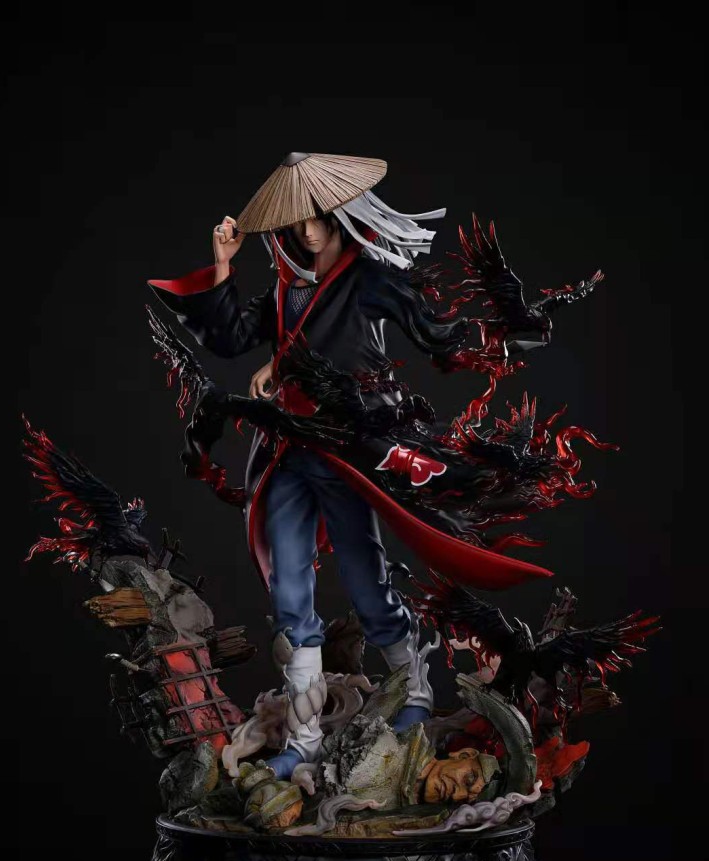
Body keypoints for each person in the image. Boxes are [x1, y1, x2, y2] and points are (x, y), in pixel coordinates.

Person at [147, 152, 548, 779]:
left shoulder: (369, 277)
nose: (310, 233)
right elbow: (230, 338)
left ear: (344, 215)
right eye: (300, 222)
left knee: (366, 582)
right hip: (287, 451)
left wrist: (504, 333)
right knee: (289, 594)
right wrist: (223, 266)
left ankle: (415, 693)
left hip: (349, 448)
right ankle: (305, 739)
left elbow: (432, 331)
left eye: (321, 219)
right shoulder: (287, 285)